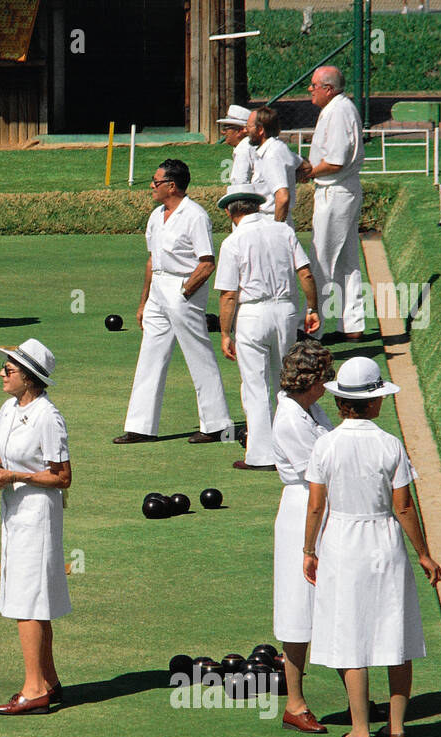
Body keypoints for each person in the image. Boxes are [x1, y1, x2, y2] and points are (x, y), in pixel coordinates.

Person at [302, 358, 441, 737]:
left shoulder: (326, 445)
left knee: (351, 634)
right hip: (385, 541)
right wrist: (424, 554)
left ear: (341, 402)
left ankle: (361, 731)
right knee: (394, 631)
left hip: (341, 544)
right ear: (374, 401)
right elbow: (403, 507)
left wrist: (308, 550)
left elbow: (316, 506)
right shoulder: (390, 444)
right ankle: (397, 729)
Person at [0, 339, 71, 716]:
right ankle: (48, 681)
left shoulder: (49, 416)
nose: (2, 373)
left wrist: (14, 474)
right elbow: (12, 453)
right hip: (15, 513)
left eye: (9, 369)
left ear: (29, 379)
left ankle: (34, 691)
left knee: (27, 602)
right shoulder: (9, 408)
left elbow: (62, 477)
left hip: (38, 516)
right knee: (31, 599)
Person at [114, 159, 233, 445]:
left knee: (198, 354)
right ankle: (141, 426)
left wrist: (184, 292)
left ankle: (216, 424)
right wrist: (144, 302)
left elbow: (207, 263)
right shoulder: (156, 216)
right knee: (150, 354)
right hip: (158, 288)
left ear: (172, 185)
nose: (152, 187)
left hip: (183, 288)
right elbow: (152, 260)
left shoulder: (195, 216)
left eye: (156, 182)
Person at [215, 187, 321, 470]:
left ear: (230, 212)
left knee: (256, 385)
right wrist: (312, 309)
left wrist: (226, 333)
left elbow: (228, 295)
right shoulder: (283, 230)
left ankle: (261, 455)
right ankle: (295, 448)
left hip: (252, 314)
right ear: (257, 206)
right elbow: (306, 273)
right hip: (286, 311)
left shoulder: (232, 242)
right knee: (285, 381)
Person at [270, 341, 335, 733]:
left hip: (322, 508)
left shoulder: (311, 409)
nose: (327, 385)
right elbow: (319, 475)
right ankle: (295, 703)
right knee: (297, 607)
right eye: (324, 378)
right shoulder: (290, 420)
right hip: (302, 513)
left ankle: (355, 698)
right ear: (310, 381)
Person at [299, 65, 366, 340]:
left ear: (328, 89)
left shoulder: (339, 111)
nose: (310, 90)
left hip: (335, 192)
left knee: (322, 259)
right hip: (342, 191)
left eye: (314, 85)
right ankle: (352, 325)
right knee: (347, 260)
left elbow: (335, 161)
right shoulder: (339, 108)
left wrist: (308, 172)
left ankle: (314, 329)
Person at [245, 106, 302, 224]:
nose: (246, 131)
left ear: (260, 129)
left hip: (271, 220)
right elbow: (305, 165)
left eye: (249, 127)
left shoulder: (272, 155)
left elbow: (283, 197)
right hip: (274, 218)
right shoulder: (278, 147)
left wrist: (276, 229)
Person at [218, 104, 255, 187]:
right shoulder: (249, 145)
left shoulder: (243, 149)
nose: (223, 132)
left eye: (226, 128)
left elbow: (240, 186)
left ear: (240, 131)